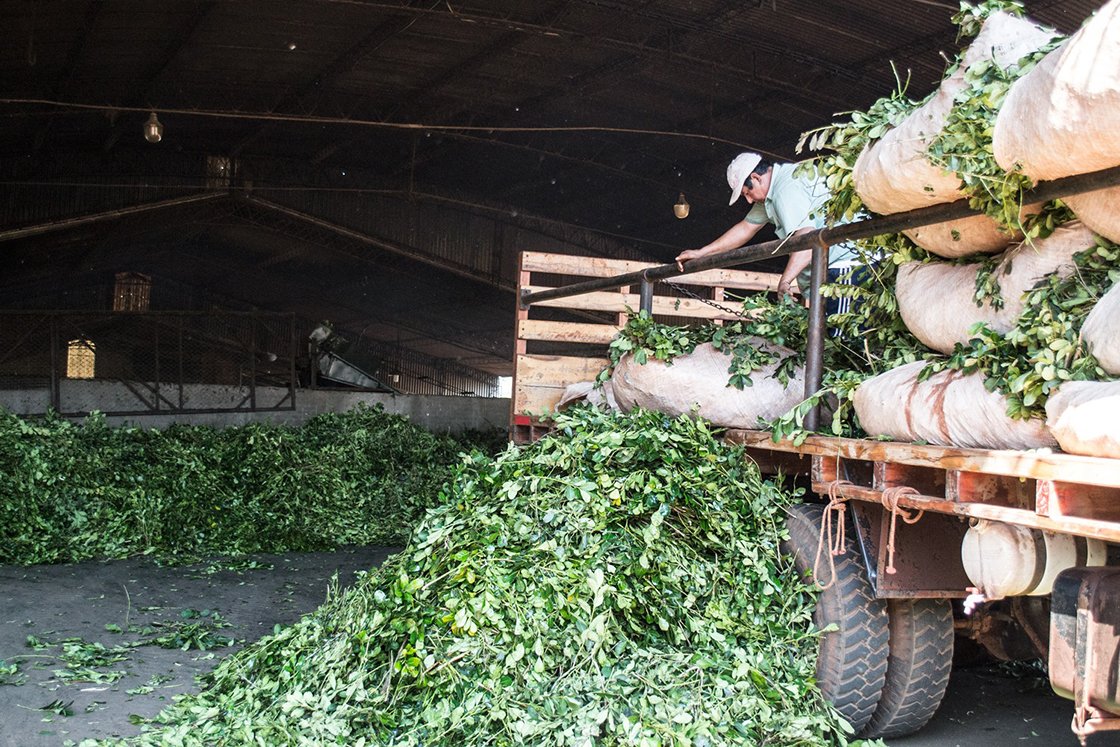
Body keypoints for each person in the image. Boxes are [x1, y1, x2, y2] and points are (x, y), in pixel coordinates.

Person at [675, 152, 860, 315]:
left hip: (847, 266)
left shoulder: (784, 190)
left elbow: (806, 240)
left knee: (845, 342)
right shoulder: (770, 194)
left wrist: (785, 281)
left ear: (756, 177)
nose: (748, 200)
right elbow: (745, 228)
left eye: (748, 192)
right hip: (834, 269)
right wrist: (701, 253)